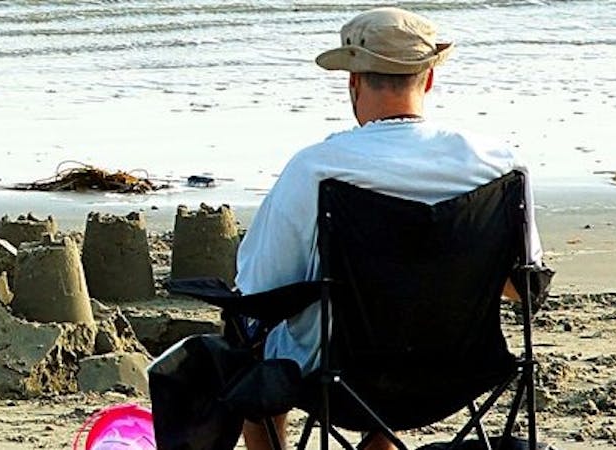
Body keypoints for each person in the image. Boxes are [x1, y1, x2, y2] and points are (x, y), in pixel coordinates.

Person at [232, 7, 543, 449]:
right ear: (429, 79)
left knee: (250, 347)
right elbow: (523, 284)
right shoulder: (501, 166)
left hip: (340, 380)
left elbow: (261, 287)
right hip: (458, 376)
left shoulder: (318, 169)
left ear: (353, 82)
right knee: (406, 311)